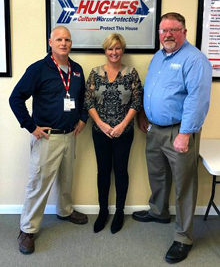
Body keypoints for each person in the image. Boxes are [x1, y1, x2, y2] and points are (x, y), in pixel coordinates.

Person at [132, 13, 212, 264]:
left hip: (180, 131)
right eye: (163, 30)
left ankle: (183, 237)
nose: (167, 34)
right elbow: (152, 90)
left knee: (184, 185)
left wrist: (186, 134)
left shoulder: (195, 59)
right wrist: (144, 115)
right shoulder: (158, 57)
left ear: (184, 32)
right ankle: (158, 211)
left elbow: (197, 101)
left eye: (173, 30)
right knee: (157, 175)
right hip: (155, 129)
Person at [9, 26, 88, 255]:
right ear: (50, 42)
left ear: (71, 44)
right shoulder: (38, 69)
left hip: (70, 135)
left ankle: (65, 211)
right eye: (59, 39)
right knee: (38, 184)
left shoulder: (76, 70)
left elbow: (82, 98)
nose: (64, 43)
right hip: (47, 137)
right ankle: (27, 229)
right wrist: (31, 126)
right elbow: (16, 98)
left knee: (66, 178)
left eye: (67, 40)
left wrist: (82, 118)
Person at [84, 33, 142, 234]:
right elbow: (88, 101)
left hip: (123, 132)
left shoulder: (131, 73)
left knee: (121, 171)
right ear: (105, 51)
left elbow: (136, 101)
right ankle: (102, 212)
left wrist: (121, 125)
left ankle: (119, 212)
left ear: (122, 50)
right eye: (110, 48)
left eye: (117, 48)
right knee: (103, 172)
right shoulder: (95, 73)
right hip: (100, 132)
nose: (114, 52)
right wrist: (101, 124)